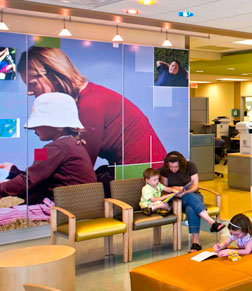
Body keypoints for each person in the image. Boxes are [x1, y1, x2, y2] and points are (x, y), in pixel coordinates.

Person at [17, 46, 166, 167]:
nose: (29, 92)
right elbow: (61, 151)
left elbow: (75, 162)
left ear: (53, 76)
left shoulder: (88, 104)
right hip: (137, 172)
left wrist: (24, 176)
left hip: (142, 176)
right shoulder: (82, 99)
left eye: (32, 84)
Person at [0, 93, 96, 204]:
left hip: (60, 207)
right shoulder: (71, 144)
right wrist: (13, 171)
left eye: (37, 123)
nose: (33, 128)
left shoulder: (54, 148)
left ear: (58, 126)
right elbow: (35, 175)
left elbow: (29, 179)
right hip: (77, 206)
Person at [158, 151, 224, 251]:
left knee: (190, 208)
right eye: (171, 167)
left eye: (176, 167)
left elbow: (195, 186)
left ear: (181, 164)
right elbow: (164, 188)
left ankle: (196, 243)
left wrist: (185, 192)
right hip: (175, 199)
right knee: (190, 199)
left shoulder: (190, 166)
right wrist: (175, 189)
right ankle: (211, 222)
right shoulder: (164, 170)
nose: (173, 169)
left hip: (193, 195)